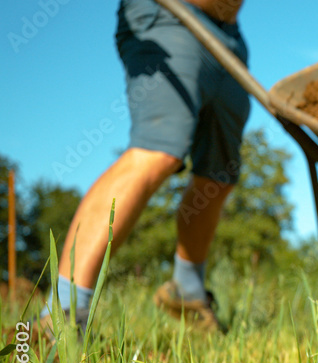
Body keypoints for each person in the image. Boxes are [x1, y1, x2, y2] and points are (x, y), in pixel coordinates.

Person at [40, 0, 249, 335]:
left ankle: (188, 293)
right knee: (158, 150)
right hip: (167, 16)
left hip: (229, 34)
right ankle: (61, 313)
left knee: (219, 174)